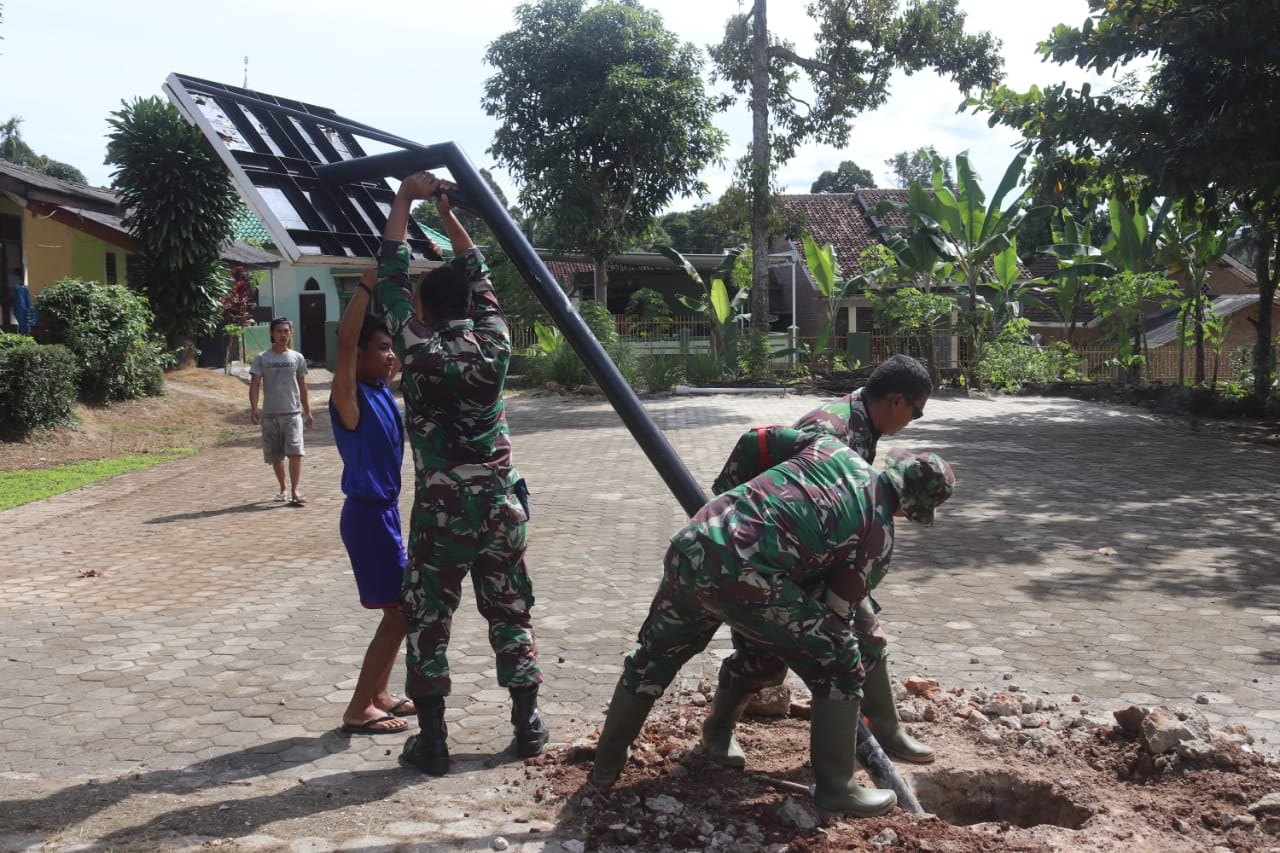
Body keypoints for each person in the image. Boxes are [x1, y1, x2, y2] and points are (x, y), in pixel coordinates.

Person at [590, 436, 954, 817]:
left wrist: (729, 498)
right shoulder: (877, 537)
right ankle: (837, 788)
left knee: (653, 658)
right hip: (749, 579)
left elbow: (755, 441)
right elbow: (838, 615)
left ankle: (606, 765)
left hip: (695, 541)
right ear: (912, 507)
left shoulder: (830, 448)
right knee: (842, 658)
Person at [375, 172, 547, 775]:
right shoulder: (495, 343)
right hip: (502, 505)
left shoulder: (414, 346)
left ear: (421, 308)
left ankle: (435, 742)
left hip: (443, 512)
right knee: (509, 610)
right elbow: (481, 273)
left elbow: (391, 271)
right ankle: (527, 726)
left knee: (429, 619)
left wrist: (403, 199)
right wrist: (448, 216)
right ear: (471, 306)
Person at [710, 352, 937, 763]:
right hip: (773, 556)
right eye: (916, 413)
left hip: (815, 556)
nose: (911, 422)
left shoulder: (863, 428)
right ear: (897, 401)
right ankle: (718, 731)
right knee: (765, 657)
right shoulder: (831, 429)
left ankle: (883, 727)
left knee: (864, 631)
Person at [329, 271, 417, 735]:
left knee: (395, 611)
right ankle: (358, 707)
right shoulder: (350, 397)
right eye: (379, 348)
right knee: (400, 611)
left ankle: (380, 694)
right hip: (367, 516)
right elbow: (345, 342)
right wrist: (365, 285)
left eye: (390, 349)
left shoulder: (382, 388)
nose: (389, 356)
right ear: (358, 355)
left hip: (385, 513)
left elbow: (402, 353)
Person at [249, 317, 313, 504]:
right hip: (270, 415)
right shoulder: (262, 358)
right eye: (279, 331)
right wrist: (254, 408)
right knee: (276, 455)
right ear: (272, 333)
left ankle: (295, 490)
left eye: (286, 331)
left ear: (290, 333)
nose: (283, 335)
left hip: (293, 413)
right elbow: (254, 385)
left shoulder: (297, 358)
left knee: (295, 452)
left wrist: (307, 411)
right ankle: (283, 488)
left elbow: (303, 386)